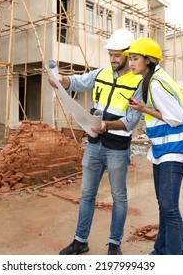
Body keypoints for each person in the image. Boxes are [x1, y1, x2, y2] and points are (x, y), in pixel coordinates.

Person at [48, 28, 143, 255]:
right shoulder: (100, 73)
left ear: (129, 54)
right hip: (94, 145)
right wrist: (60, 80)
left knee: (119, 198)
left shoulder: (138, 82)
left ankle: (114, 244)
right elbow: (76, 82)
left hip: (118, 149)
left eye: (117, 55)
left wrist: (108, 125)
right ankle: (80, 240)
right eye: (110, 54)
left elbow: (131, 120)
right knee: (87, 195)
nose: (112, 59)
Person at [122, 37, 183, 255]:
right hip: (163, 149)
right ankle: (161, 250)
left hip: (174, 149)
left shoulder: (155, 83)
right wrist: (143, 107)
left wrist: (144, 110)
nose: (132, 63)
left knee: (169, 208)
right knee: (164, 205)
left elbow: (175, 118)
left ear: (148, 60)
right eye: (131, 59)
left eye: (135, 59)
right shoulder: (153, 78)